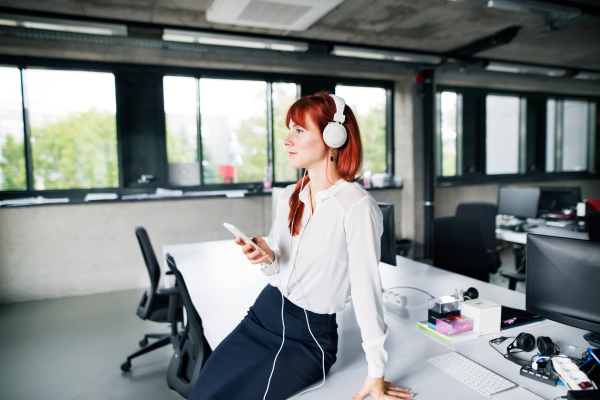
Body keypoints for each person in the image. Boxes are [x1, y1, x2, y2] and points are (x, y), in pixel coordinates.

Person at [187, 92, 413, 400]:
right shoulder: (289, 195)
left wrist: (377, 371)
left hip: (309, 340)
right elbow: (281, 269)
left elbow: (366, 290)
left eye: (299, 130)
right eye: (289, 129)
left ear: (332, 136)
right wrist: (266, 257)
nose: (287, 140)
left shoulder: (356, 205)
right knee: (202, 394)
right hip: (264, 313)